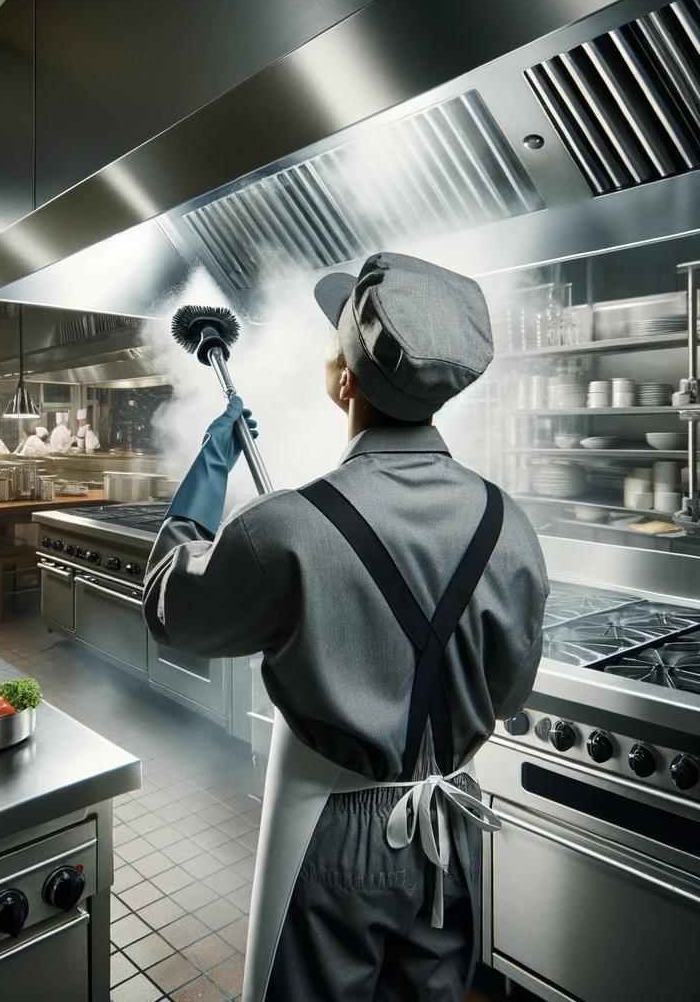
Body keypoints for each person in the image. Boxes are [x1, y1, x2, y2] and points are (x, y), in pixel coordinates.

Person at [143, 252, 549, 1002]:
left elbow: (171, 609)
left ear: (345, 381)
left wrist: (207, 470)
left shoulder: (287, 528)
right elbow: (512, 689)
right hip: (448, 833)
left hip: (332, 839)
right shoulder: (509, 527)